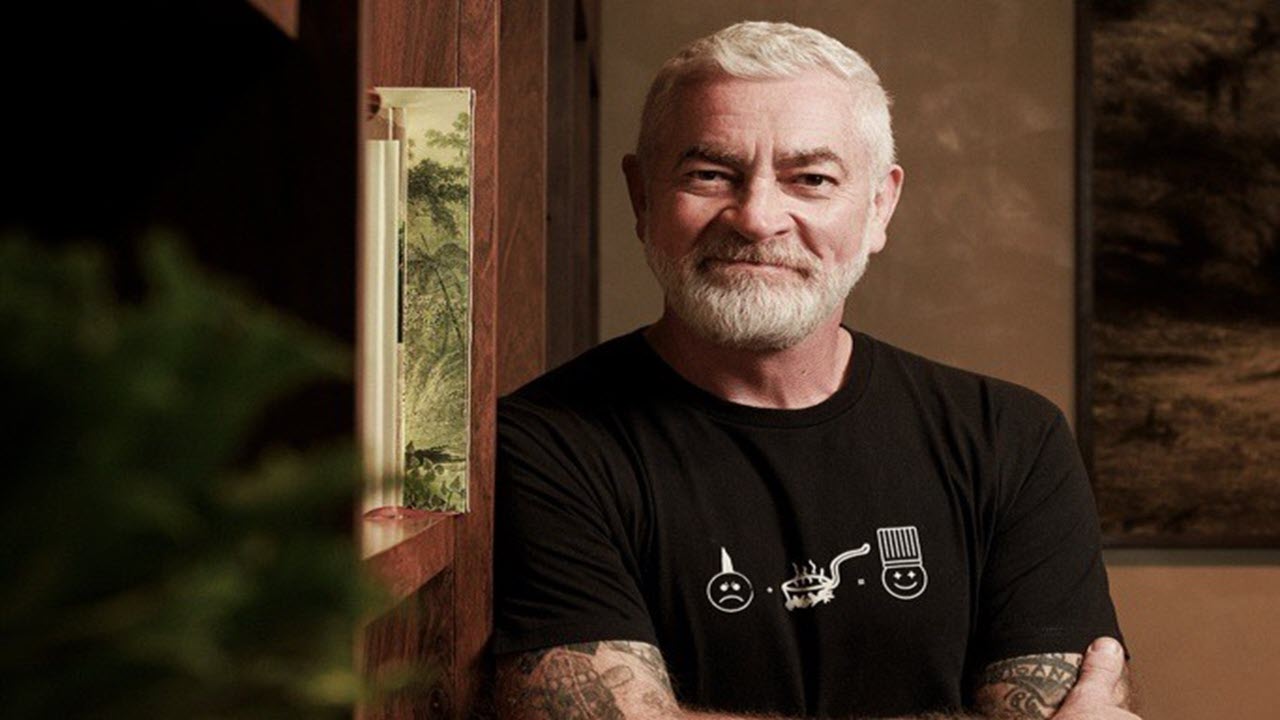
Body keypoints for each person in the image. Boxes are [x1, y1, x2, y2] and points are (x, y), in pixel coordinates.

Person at [493, 21, 1138, 720]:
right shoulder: (540, 444)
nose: (758, 217)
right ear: (643, 197)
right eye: (710, 173)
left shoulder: (1012, 438)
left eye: (812, 179)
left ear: (878, 206)